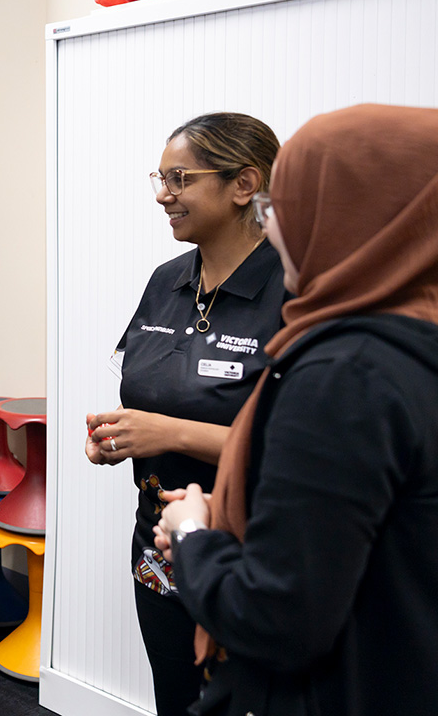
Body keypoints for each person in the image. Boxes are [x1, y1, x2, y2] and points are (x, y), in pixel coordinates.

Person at [155, 104, 438, 716]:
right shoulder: (415, 343)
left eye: (286, 207)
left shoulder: (345, 377)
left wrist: (194, 532)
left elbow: (276, 616)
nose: (275, 229)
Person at [84, 113, 287, 716]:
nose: (162, 194)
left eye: (180, 178)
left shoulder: (293, 287)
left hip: (249, 549)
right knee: (176, 698)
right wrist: (118, 435)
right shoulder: (167, 280)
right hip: (158, 543)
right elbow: (147, 393)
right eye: (160, 176)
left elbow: (292, 446)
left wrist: (167, 432)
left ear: (243, 183)